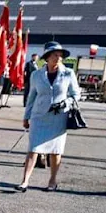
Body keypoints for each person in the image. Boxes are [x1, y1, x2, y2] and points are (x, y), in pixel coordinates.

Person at [16, 42, 80, 193]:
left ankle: (52, 181)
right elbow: (31, 96)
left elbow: (76, 94)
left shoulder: (68, 73)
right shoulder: (36, 74)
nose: (58, 58)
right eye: (55, 55)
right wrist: (26, 117)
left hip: (59, 118)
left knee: (55, 151)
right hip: (39, 116)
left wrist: (66, 102)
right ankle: (25, 181)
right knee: (33, 149)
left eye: (60, 56)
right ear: (47, 57)